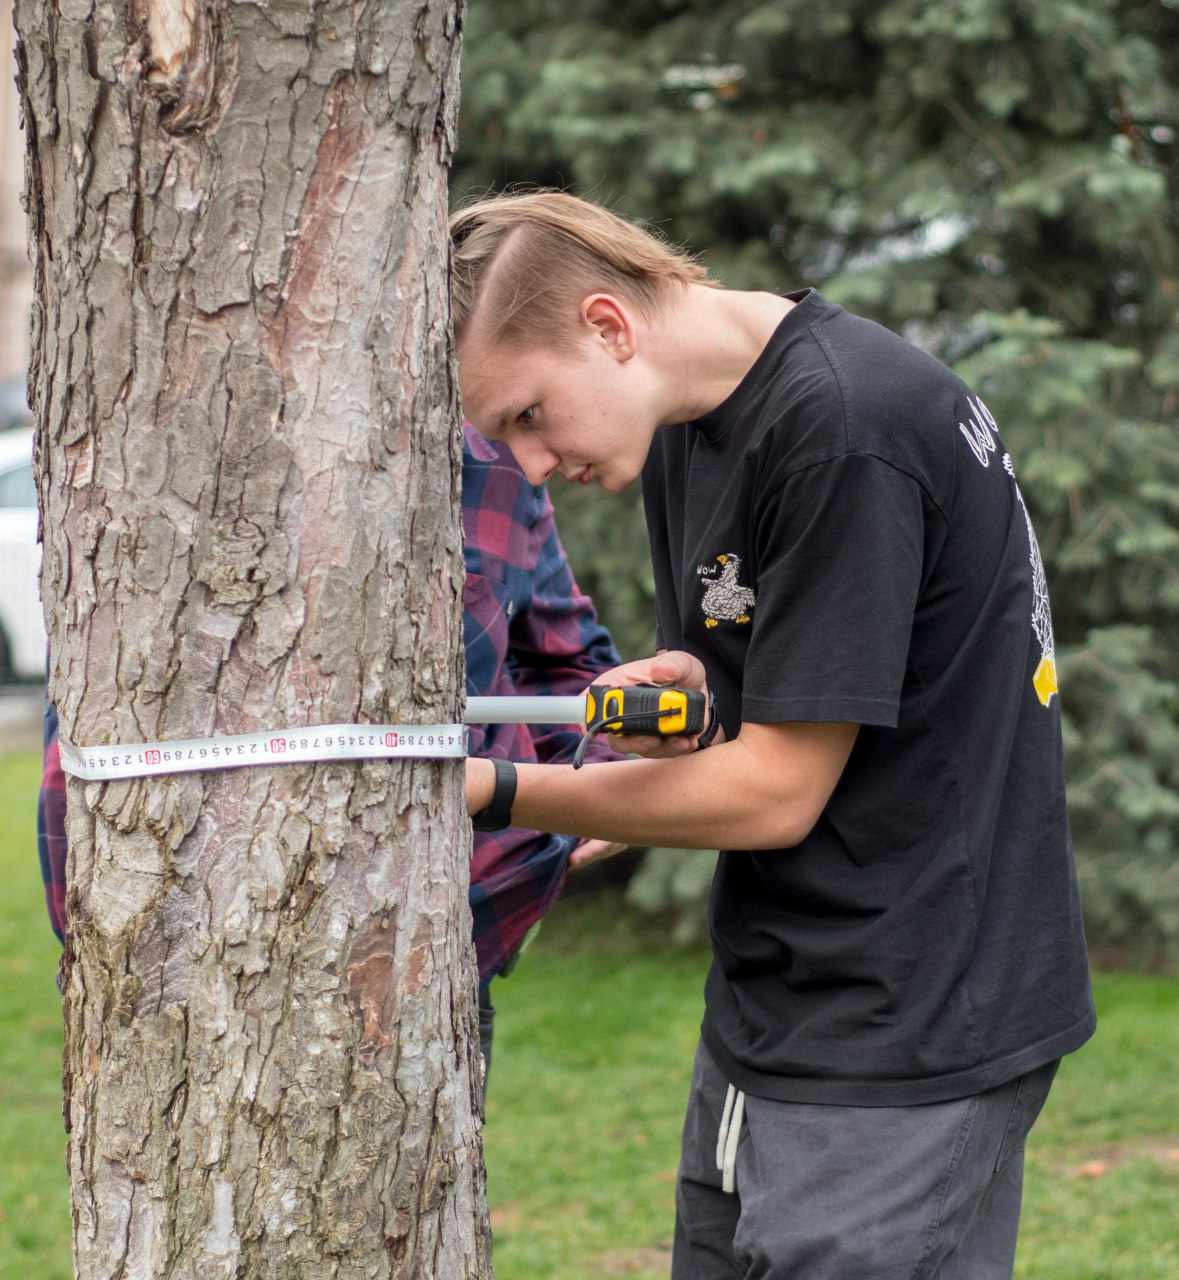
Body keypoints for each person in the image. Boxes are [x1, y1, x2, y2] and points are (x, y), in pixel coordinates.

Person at [452, 191, 1095, 1278]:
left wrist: (498, 788)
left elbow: (772, 792)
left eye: (527, 414)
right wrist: (688, 690)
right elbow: (768, 678)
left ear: (608, 325)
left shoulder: (844, 427)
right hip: (782, 1000)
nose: (530, 460)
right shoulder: (691, 427)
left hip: (913, 1025)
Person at [37, 423, 625, 1093]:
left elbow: (564, 658)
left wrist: (600, 774)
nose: (542, 450)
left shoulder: (497, 464)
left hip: (436, 954)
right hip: (177, 976)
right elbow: (96, 743)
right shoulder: (162, 465)